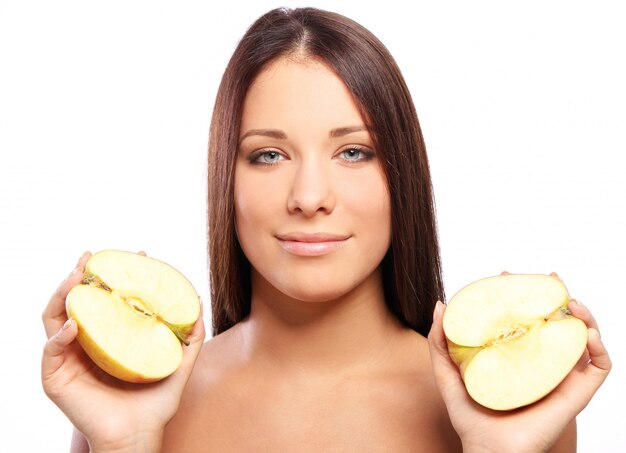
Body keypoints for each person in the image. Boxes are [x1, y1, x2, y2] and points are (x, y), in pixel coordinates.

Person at [41, 7, 611, 452]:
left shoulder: (511, 410)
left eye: (354, 152)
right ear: (225, 179)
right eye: (268, 155)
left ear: (402, 175)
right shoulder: (134, 405)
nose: (309, 197)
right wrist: (124, 445)